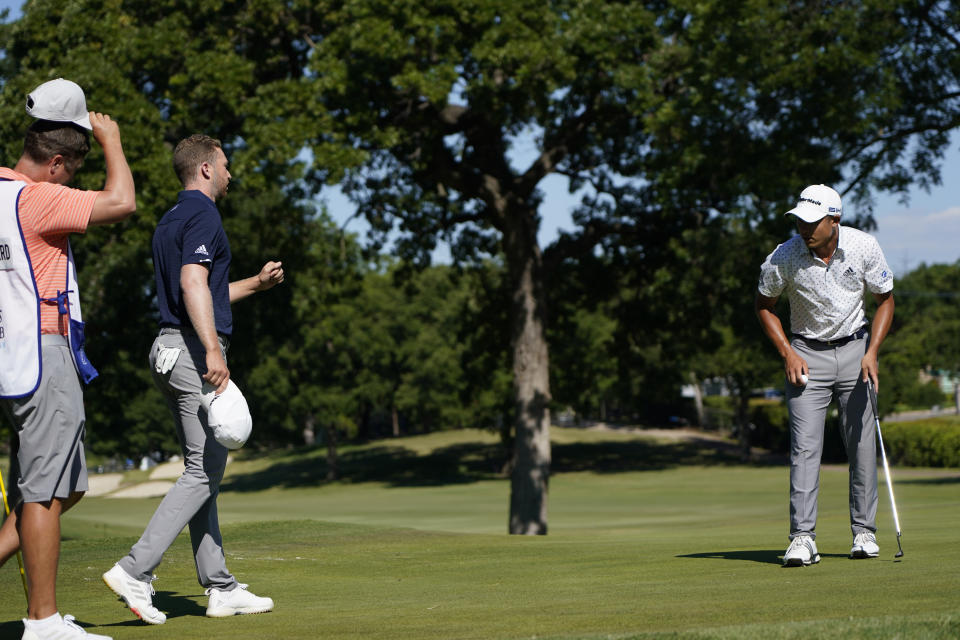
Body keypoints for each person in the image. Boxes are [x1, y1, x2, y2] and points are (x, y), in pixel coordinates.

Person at [102, 134, 282, 623]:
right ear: (204, 169)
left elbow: (207, 288)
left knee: (205, 471)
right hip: (191, 352)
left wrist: (258, 284)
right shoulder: (204, 214)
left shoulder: (170, 219)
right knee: (203, 471)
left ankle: (220, 587)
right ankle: (135, 570)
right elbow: (192, 283)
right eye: (224, 166)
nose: (230, 173)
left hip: (166, 348)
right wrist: (211, 350)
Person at [0, 79, 136, 639]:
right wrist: (111, 141)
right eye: (72, 169)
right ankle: (44, 622)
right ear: (56, 162)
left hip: (15, 359)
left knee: (61, 485)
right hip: (43, 352)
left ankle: (43, 617)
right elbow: (122, 201)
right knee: (46, 491)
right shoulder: (37, 197)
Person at [755, 184, 895, 567]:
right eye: (800, 219)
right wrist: (786, 352)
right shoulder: (784, 256)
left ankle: (864, 532)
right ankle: (802, 538)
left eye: (813, 221)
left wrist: (872, 352)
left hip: (856, 351)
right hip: (806, 355)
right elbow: (764, 306)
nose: (805, 227)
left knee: (861, 446)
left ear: (834, 220)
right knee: (804, 449)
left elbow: (885, 300)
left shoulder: (864, 246)